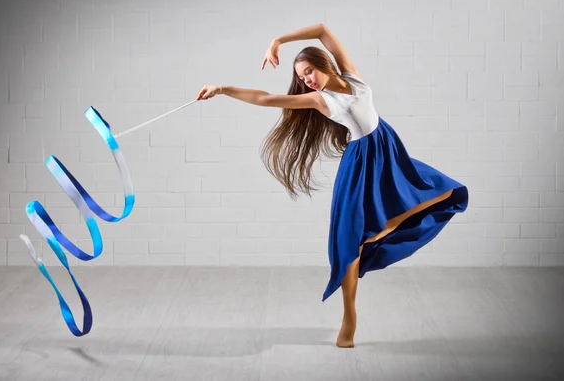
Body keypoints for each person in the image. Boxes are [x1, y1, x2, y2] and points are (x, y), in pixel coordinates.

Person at [195, 23, 469, 348]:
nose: (306, 80)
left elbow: (322, 30)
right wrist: (223, 88)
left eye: (309, 71)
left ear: (324, 64)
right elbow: (266, 98)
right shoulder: (319, 100)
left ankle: (377, 232)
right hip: (360, 162)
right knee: (348, 239)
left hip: (387, 149)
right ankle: (349, 317)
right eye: (301, 77)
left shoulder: (351, 76)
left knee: (445, 191)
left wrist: (278, 40)